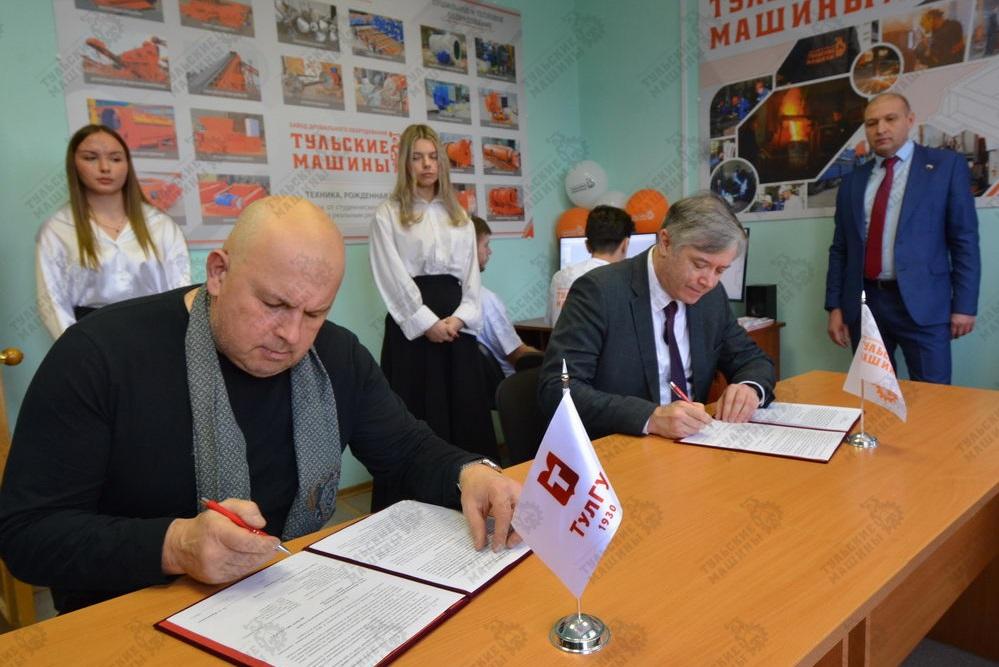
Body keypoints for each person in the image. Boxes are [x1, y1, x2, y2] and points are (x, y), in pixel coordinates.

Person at [0, 196, 521, 615]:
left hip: (287, 603)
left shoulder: (335, 355)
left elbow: (405, 450)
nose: (291, 335)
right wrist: (176, 544)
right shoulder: (100, 356)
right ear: (219, 272)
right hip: (129, 618)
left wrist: (471, 472)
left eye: (314, 313)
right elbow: (27, 534)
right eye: (274, 304)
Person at [539, 193, 775, 440]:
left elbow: (753, 360)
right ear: (666, 242)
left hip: (695, 443)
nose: (709, 281)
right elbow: (557, 388)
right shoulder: (599, 292)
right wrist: (650, 417)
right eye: (700, 264)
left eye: (720, 270)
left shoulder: (711, 297)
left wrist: (750, 388)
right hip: (622, 446)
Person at [368, 124, 498, 477]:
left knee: (465, 411)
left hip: (456, 328)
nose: (427, 165)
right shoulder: (388, 214)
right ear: (405, 163)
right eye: (417, 157)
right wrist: (426, 323)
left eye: (432, 157)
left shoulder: (459, 216)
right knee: (417, 415)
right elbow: (390, 275)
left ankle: (475, 489)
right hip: (412, 330)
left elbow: (471, 277)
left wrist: (460, 318)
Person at [825, 93, 980, 384]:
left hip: (925, 304)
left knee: (934, 396)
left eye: (890, 119)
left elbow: (964, 241)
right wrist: (835, 306)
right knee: (875, 395)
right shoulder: (853, 181)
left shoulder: (945, 167)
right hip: (865, 303)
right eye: (872, 123)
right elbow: (840, 249)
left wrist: (964, 305)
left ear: (910, 120)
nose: (880, 129)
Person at [36, 124, 190, 339]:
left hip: (155, 334)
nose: (105, 167)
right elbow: (53, 303)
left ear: (127, 165)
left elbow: (181, 291)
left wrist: (173, 341)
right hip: (91, 338)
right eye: (91, 158)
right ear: (74, 164)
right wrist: (74, 348)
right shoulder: (58, 229)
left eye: (115, 159)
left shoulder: (160, 225)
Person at [472, 215, 542, 393]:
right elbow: (517, 355)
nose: (490, 252)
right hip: (512, 387)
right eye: (486, 245)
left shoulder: (451, 297)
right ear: (470, 249)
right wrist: (555, 357)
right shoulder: (486, 300)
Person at [547, 205, 634, 325]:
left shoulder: (559, 277)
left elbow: (551, 323)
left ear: (587, 245)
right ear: (625, 244)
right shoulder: (624, 284)